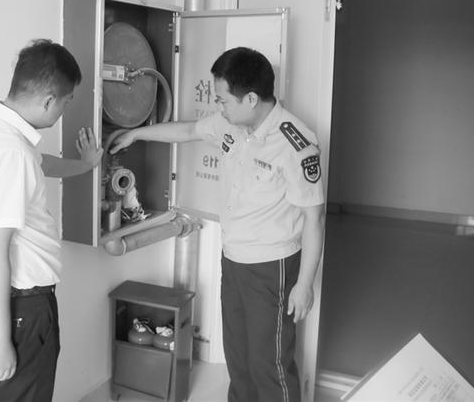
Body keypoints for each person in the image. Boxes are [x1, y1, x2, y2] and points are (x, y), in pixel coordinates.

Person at [110, 46, 325, 402]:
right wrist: (137, 135)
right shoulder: (231, 123)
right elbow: (188, 130)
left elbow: (314, 218)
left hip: (272, 267)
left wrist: (304, 285)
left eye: (223, 99)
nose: (218, 106)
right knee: (237, 357)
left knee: (269, 364)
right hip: (233, 260)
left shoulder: (295, 144)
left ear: (251, 99)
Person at [0, 39, 103, 402]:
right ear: (49, 101)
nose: (64, 110)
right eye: (67, 102)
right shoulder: (11, 154)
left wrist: (85, 165)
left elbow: (42, 164)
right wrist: (2, 340)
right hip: (18, 306)